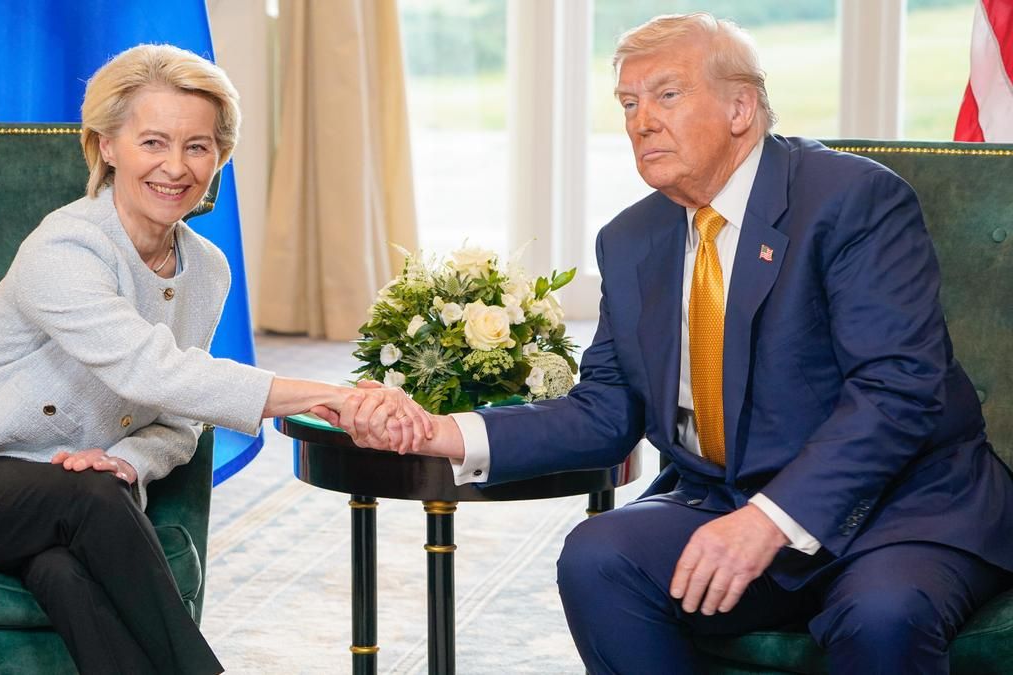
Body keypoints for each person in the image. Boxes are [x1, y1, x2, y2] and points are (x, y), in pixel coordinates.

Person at [331, 13, 1013, 674]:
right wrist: (442, 432)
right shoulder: (632, 240)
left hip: (898, 509)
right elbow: (604, 411)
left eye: (667, 95)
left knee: (883, 614)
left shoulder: (852, 200)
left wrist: (770, 520)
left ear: (741, 108)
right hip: (727, 500)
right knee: (599, 559)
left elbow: (895, 392)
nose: (640, 120)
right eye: (628, 101)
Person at [0, 44, 430, 675]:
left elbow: (178, 419)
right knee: (90, 504)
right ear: (106, 146)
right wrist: (329, 396)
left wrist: (123, 461)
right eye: (152, 143)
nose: (176, 167)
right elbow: (150, 370)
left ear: (219, 156)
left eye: (198, 146)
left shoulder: (207, 268)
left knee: (63, 571)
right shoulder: (65, 247)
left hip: (75, 484)